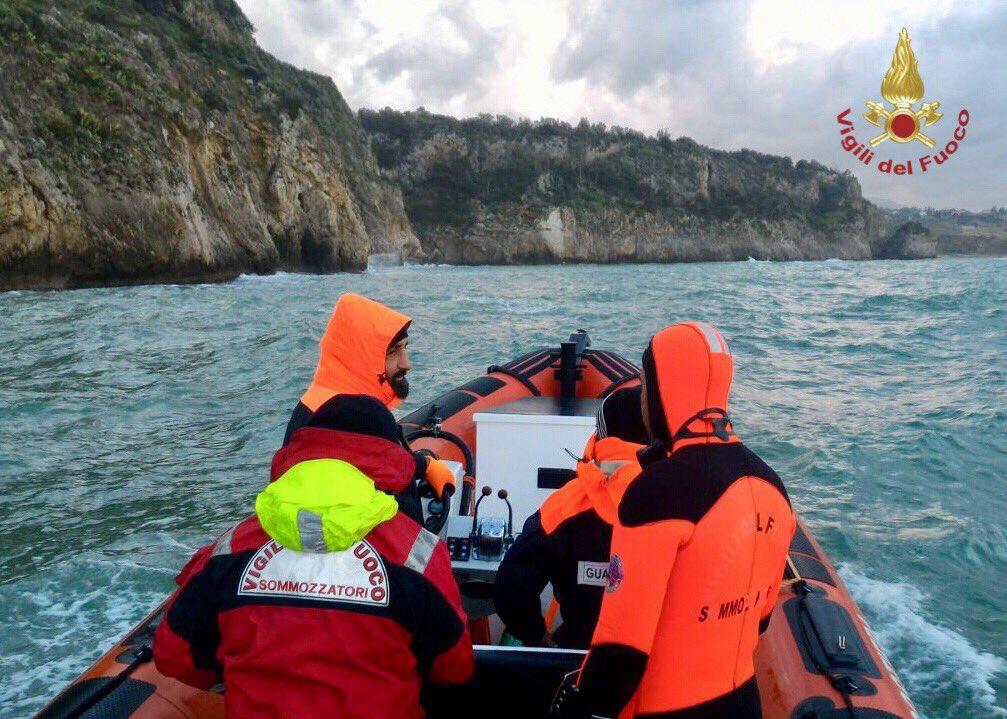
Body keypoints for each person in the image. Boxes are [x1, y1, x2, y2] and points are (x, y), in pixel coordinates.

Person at [153, 394, 474, 718]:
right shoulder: (416, 553)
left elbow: (173, 655)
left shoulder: (232, 547)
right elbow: (454, 668)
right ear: (390, 458)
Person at [552, 322, 795, 719]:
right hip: (742, 703)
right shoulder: (771, 485)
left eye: (646, 387)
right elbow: (761, 617)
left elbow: (621, 650)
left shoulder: (656, 494)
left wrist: (579, 706)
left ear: (664, 390)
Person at [493, 386, 648, 649]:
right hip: (661, 657)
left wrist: (535, 635)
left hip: (579, 652)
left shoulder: (566, 505)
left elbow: (512, 584)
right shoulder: (683, 496)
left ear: (601, 435)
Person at [284, 293, 413, 444]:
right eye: (392, 352)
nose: (406, 364)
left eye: (405, 347)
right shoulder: (364, 419)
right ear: (363, 356)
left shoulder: (311, 403)